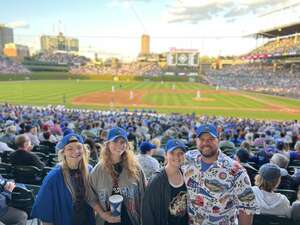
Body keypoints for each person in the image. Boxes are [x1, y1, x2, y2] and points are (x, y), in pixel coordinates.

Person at [182, 124, 258, 225]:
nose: (205, 143)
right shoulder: (187, 158)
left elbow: (246, 209)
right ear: (196, 141)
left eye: (210, 139)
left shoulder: (236, 171)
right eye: (202, 139)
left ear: (218, 140)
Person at [31, 133, 95, 225]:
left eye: (79, 147)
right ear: (63, 152)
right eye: (70, 148)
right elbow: (45, 216)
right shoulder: (53, 177)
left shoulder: (90, 170)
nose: (75, 151)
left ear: (84, 150)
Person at [88, 127, 146, 225]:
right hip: (107, 220)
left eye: (123, 142)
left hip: (130, 220)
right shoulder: (98, 169)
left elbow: (144, 194)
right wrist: (102, 214)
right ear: (108, 144)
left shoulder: (135, 167)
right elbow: (90, 196)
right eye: (115, 141)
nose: (119, 145)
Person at [142, 139, 189, 225]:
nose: (177, 156)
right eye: (172, 153)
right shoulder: (156, 180)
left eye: (181, 153)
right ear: (166, 155)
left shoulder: (186, 174)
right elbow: (147, 211)